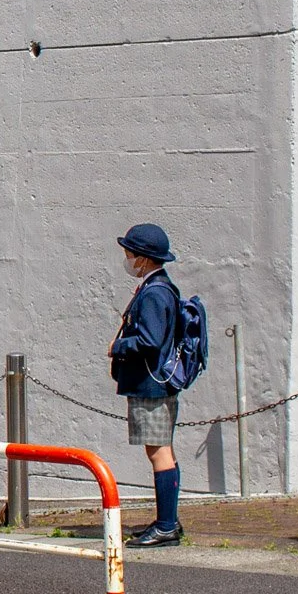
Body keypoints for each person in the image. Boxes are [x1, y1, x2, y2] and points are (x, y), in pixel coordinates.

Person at [108, 222, 184, 548]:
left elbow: (150, 340)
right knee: (162, 450)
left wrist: (119, 348)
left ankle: (167, 525)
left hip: (151, 385)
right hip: (156, 384)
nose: (127, 259)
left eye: (130, 254)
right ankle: (168, 521)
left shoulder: (154, 293)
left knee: (159, 452)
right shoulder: (158, 287)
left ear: (144, 258)